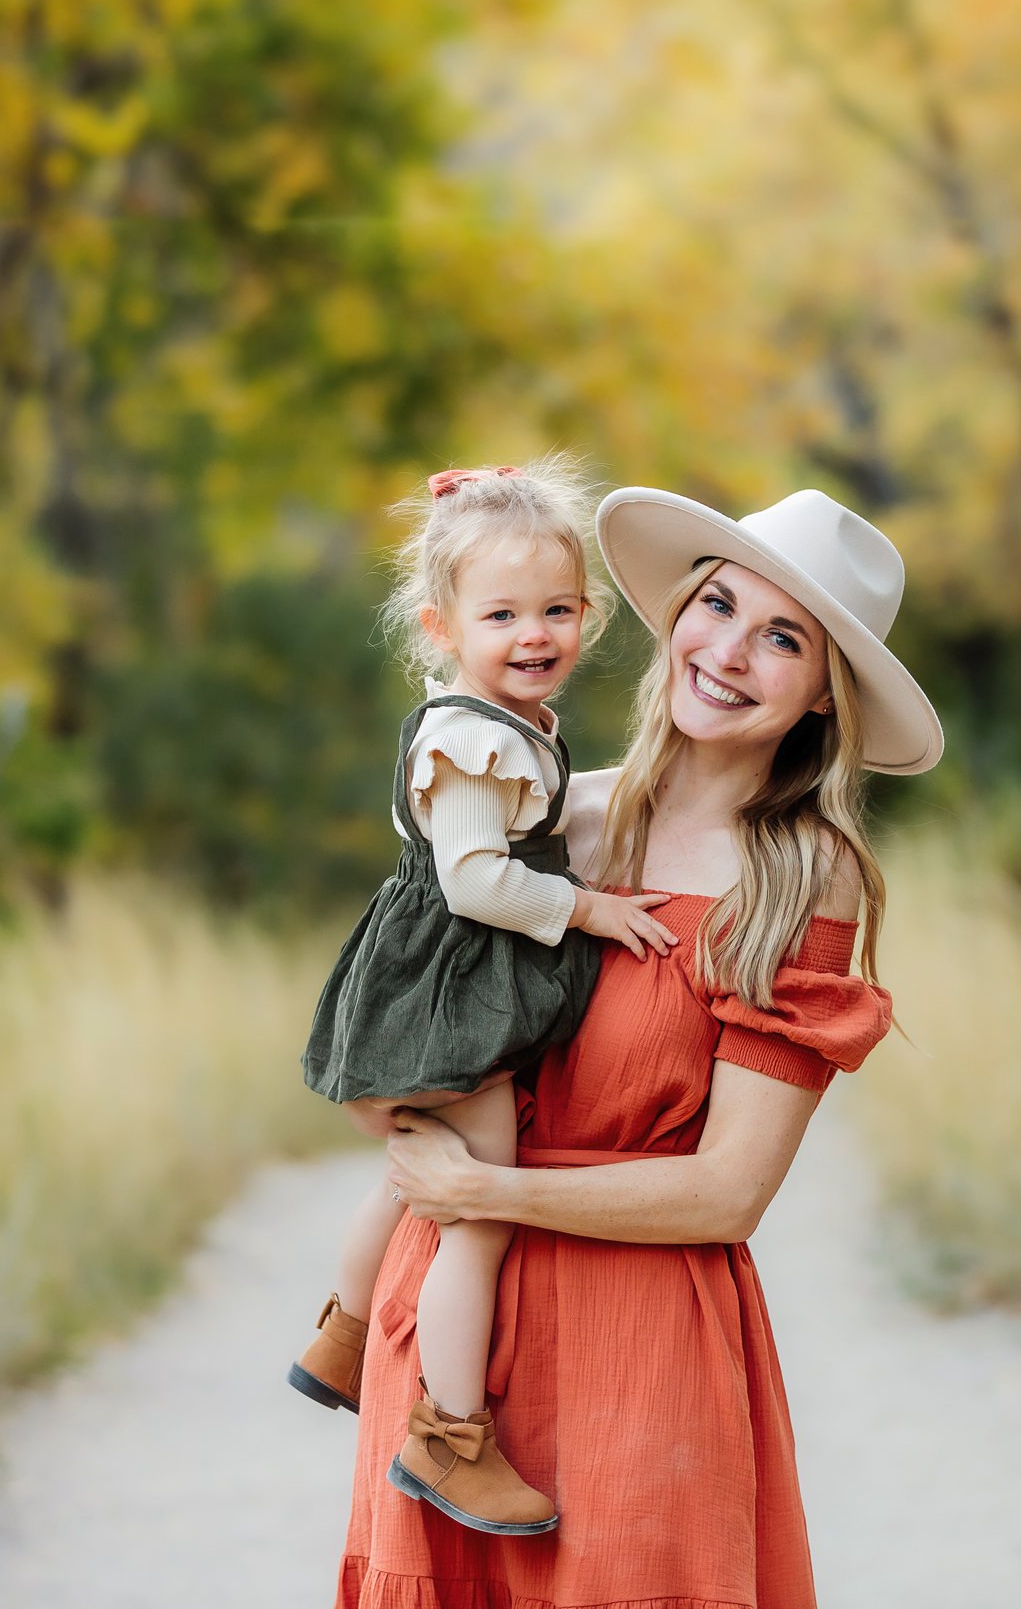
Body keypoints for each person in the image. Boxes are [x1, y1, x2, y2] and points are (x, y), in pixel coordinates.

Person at [338, 486, 945, 1608]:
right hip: (452, 1346)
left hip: (641, 1346)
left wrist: (482, 1184)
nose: (730, 650)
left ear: (825, 694)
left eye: (783, 637)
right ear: (673, 617)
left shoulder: (804, 875)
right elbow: (394, 1056)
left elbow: (724, 1193)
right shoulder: (537, 819)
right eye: (717, 604)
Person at [291, 457, 680, 1537]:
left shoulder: (506, 720)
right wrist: (587, 909)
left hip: (447, 976)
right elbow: (473, 878)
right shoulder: (474, 737)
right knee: (475, 1210)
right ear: (441, 623)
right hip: (456, 984)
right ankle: (450, 1432)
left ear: (590, 617)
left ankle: (343, 1333)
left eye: (556, 608)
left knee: (417, 1172)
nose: (533, 632)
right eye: (501, 612)